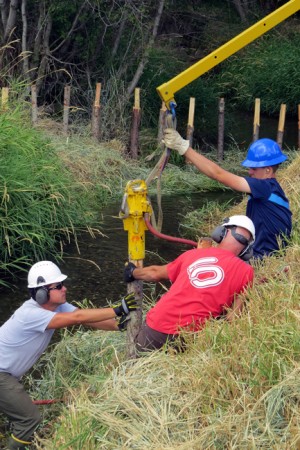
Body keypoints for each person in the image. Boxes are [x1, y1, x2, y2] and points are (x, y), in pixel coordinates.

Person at [0, 260, 137, 450]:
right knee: (30, 419)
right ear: (41, 293)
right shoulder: (30, 314)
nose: (65, 288)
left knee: (19, 413)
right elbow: (77, 318)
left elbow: (83, 318)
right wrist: (118, 309)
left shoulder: (55, 306)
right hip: (1, 375)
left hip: (7, 374)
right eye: (58, 286)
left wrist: (118, 325)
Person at [124, 215, 255, 353]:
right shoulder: (247, 272)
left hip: (156, 331)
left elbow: (155, 273)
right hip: (189, 338)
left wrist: (133, 272)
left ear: (222, 233)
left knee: (140, 351)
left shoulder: (192, 255)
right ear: (247, 250)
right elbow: (233, 318)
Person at [163, 129, 292, 259]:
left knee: (217, 237)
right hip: (263, 253)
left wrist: (184, 148)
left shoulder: (264, 187)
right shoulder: (272, 190)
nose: (249, 172)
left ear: (268, 170)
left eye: (254, 168)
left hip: (261, 258)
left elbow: (218, 174)